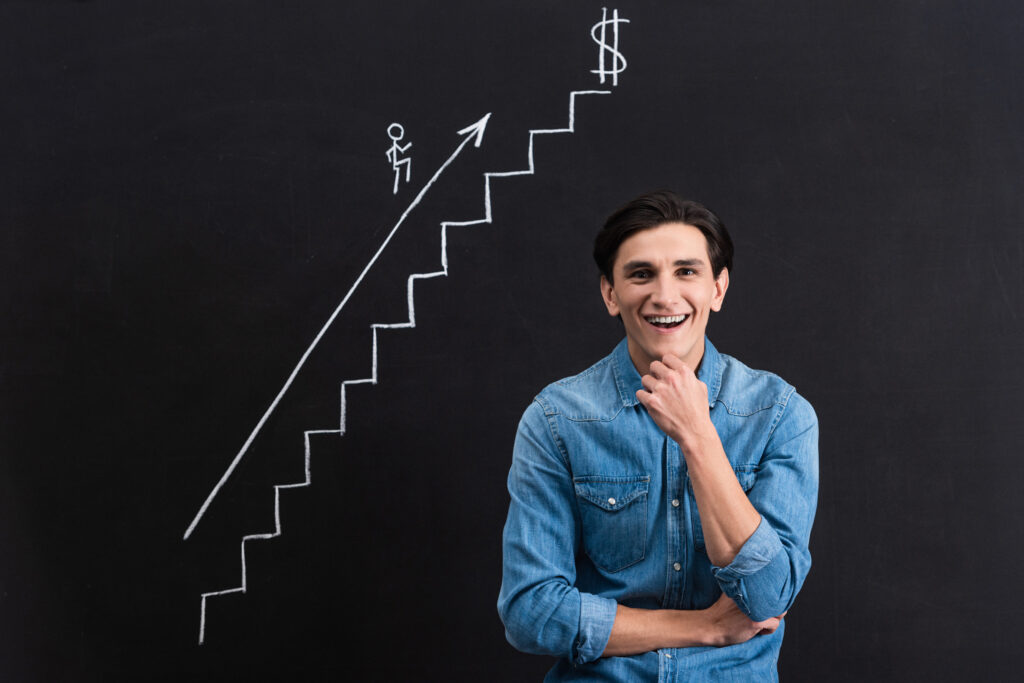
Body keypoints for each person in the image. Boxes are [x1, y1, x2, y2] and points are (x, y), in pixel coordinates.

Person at [497, 191, 819, 681]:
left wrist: (697, 436)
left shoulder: (780, 415)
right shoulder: (556, 419)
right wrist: (702, 628)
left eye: (686, 272)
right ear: (610, 293)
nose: (665, 297)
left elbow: (768, 596)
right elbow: (531, 613)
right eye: (641, 274)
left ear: (718, 288)